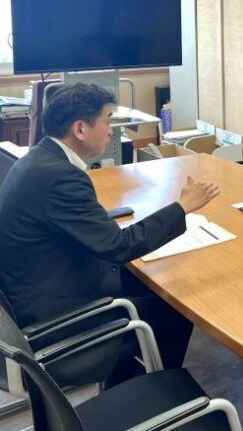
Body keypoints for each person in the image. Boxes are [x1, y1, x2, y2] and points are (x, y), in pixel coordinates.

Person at [0, 83, 220, 387]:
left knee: (151, 284)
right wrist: (183, 207)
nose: (111, 131)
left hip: (34, 293)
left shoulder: (38, 160)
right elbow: (119, 246)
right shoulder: (61, 177)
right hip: (56, 322)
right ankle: (152, 396)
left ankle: (125, 381)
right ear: (80, 129)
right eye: (107, 120)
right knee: (176, 309)